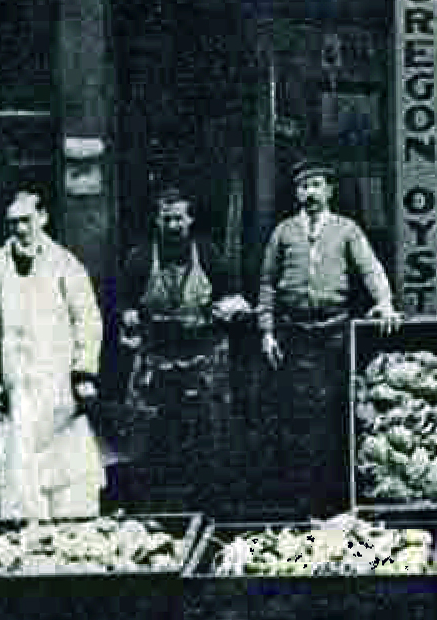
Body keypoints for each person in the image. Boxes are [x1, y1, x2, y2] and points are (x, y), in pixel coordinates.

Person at [257, 161, 401, 517]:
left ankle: (335, 501)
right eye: (303, 186)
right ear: (296, 192)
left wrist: (384, 302)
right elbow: (267, 283)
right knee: (297, 418)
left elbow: (370, 268)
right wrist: (267, 331)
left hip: (333, 335)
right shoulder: (283, 232)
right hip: (294, 336)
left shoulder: (346, 230)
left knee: (335, 414)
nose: (310, 193)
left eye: (317, 185)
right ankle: (300, 502)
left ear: (329, 190)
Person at [0, 191, 104, 520]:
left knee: (67, 468)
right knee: (20, 467)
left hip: (58, 384)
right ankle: (25, 538)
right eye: (13, 223)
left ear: (42, 218)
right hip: (16, 383)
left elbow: (87, 319)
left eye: (26, 221)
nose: (19, 229)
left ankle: (71, 533)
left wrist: (84, 372)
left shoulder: (65, 264)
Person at [116, 188, 251, 506]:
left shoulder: (207, 252)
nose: (173, 225)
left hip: (201, 353)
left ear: (189, 220)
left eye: (179, 218)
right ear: (157, 220)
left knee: (206, 427)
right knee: (152, 428)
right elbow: (122, 300)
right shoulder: (139, 257)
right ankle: (154, 499)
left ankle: (207, 498)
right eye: (167, 219)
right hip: (157, 354)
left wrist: (228, 308)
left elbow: (230, 292)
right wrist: (128, 314)